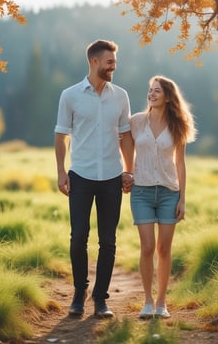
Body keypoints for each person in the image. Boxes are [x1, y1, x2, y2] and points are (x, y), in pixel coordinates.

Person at [54, 39, 134, 319]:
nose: (114, 65)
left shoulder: (121, 96)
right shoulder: (70, 95)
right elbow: (61, 134)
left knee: (108, 241)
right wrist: (61, 171)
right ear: (94, 61)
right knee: (78, 238)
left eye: (115, 61)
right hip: (81, 176)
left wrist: (129, 169)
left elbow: (126, 135)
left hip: (112, 176)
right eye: (109, 61)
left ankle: (100, 299)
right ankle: (79, 293)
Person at [130, 75, 197, 319]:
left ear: (168, 97)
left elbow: (180, 163)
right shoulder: (136, 122)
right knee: (147, 247)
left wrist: (182, 199)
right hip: (141, 192)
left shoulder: (179, 124)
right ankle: (147, 301)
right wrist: (126, 173)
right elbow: (124, 147)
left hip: (170, 192)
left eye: (157, 91)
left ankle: (161, 303)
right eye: (150, 90)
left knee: (164, 248)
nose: (151, 94)